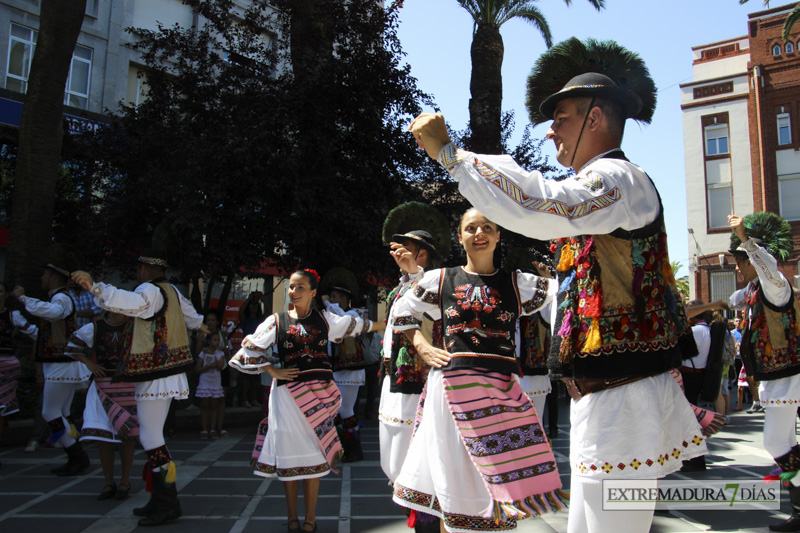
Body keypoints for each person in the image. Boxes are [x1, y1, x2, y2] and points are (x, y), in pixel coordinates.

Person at [408, 38, 705, 533]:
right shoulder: (603, 187)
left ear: (595, 118)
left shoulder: (617, 178)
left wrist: (450, 154)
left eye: (561, 117)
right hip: (605, 393)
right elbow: (533, 192)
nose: (550, 133)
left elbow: (541, 204)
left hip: (625, 394)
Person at [390, 208, 564, 532]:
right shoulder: (439, 279)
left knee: (498, 483)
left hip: (501, 393)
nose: (479, 233)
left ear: (498, 236)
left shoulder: (518, 284)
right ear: (460, 237)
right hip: (451, 392)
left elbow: (565, 297)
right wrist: (422, 346)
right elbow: (402, 311)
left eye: (487, 227)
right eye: (471, 228)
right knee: (450, 479)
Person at [230, 269, 383, 533]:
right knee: (289, 458)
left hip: (320, 397)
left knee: (314, 458)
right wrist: (272, 370)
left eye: (300, 287)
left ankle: (310, 521)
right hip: (287, 397)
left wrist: (393, 324)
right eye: (291, 287)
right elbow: (248, 349)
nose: (294, 292)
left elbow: (360, 326)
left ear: (313, 293)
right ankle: (292, 519)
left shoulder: (326, 320)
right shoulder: (276, 321)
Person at [71, 250, 207, 527]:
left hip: (156, 373)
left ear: (144, 270)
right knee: (151, 437)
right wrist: (203, 328)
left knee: (151, 438)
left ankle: (167, 502)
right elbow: (193, 319)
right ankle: (161, 498)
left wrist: (96, 288)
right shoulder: (173, 291)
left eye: (138, 269)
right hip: (166, 373)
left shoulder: (148, 290)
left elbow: (133, 303)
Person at [379, 201, 450, 533]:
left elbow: (435, 310)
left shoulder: (434, 282)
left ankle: (426, 521)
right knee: (392, 461)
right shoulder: (399, 288)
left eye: (406, 249)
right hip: (393, 379)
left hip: (416, 383)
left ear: (422, 255)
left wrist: (415, 274)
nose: (398, 254)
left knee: (416, 462)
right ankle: (418, 515)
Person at [727, 212, 800, 532]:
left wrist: (745, 240)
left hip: (787, 378)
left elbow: (767, 267)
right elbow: (733, 299)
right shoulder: (755, 291)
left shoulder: (777, 286)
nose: (737, 269)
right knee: (784, 442)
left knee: (774, 444)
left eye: (739, 262)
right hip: (776, 380)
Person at [12, 246, 92, 477]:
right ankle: (74, 456)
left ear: (54, 276)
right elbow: (49, 331)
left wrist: (23, 298)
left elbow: (53, 313)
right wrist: (25, 327)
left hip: (61, 363)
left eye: (44, 275)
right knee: (63, 411)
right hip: (60, 362)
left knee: (50, 413)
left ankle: (77, 454)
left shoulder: (60, 299)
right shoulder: (61, 299)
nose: (41, 278)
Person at [65, 311, 138, 500]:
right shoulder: (95, 327)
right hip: (102, 385)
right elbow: (72, 346)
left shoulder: (135, 327)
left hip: (128, 384)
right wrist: (89, 364)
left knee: (126, 436)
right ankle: (108, 482)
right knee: (104, 437)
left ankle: (125, 481)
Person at [321, 268, 372, 463]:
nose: (331, 301)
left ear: (344, 299)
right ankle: (342, 448)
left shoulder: (352, 315)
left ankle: (354, 449)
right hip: (337, 370)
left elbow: (340, 318)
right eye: (331, 297)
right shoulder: (334, 317)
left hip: (350, 371)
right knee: (337, 411)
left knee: (346, 411)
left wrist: (326, 302)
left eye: (334, 297)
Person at [0, 281, 37, 461]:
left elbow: (34, 332)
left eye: (0, 291)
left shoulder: (12, 315)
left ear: (6, 295)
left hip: (5, 364)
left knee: (0, 408)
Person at [195, 310, 231, 435]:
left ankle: (218, 427)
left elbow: (227, 348)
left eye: (212, 320)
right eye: (208, 320)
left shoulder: (222, 333)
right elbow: (197, 352)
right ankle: (206, 428)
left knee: (220, 399)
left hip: (221, 368)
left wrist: (224, 351)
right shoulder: (202, 334)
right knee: (206, 402)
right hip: (206, 373)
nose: (210, 322)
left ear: (217, 322)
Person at [238, 291, 271, 408]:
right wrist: (248, 299)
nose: (253, 307)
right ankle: (244, 399)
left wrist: (262, 299)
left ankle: (253, 399)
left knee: (256, 376)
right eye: (251, 305)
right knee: (246, 376)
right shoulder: (245, 319)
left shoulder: (261, 319)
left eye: (256, 305)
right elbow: (241, 312)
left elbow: (269, 312)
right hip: (247, 349)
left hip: (258, 349)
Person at [196, 331, 226, 439]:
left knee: (214, 405)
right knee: (205, 405)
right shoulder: (203, 353)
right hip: (205, 380)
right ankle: (204, 429)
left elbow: (220, 367)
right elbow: (198, 369)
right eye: (214, 340)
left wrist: (215, 361)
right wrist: (207, 367)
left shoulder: (220, 354)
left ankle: (213, 429)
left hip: (215, 381)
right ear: (208, 341)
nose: (216, 342)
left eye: (218, 340)